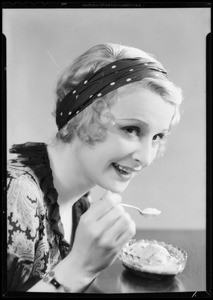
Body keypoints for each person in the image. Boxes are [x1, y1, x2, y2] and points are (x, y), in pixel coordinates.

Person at [7, 43, 183, 293]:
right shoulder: (15, 191)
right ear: (84, 116)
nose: (146, 158)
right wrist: (81, 267)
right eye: (131, 129)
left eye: (157, 137)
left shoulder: (80, 201)